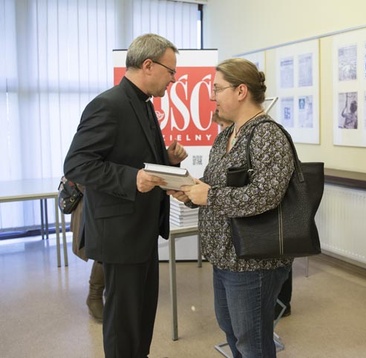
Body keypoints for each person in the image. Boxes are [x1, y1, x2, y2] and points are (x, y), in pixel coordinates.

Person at [64, 33, 187, 358]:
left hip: (143, 230)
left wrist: (168, 162)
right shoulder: (108, 105)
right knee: (123, 324)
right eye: (171, 71)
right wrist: (131, 178)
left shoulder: (143, 104)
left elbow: (133, 156)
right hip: (120, 234)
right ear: (148, 65)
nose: (173, 79)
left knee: (142, 317)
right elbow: (77, 164)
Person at [172, 58, 293, 357]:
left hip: (253, 262)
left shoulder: (267, 134)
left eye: (217, 89)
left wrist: (208, 197)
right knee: (233, 333)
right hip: (224, 256)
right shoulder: (227, 135)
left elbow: (266, 194)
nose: (212, 96)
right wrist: (191, 191)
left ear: (241, 91)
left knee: (252, 343)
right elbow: (217, 186)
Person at [69, 184, 105, 323]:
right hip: (93, 201)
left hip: (116, 199)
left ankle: (113, 291)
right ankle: (94, 296)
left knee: (117, 248)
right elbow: (81, 177)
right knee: (103, 252)